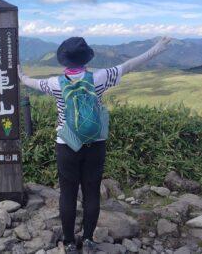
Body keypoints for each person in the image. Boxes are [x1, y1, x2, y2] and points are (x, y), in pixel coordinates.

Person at [18, 36, 171, 253]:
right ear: (86, 57)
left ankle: (70, 242)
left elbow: (30, 82)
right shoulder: (100, 77)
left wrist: (20, 73)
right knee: (91, 191)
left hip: (66, 144)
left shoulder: (54, 83)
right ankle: (89, 239)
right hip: (95, 143)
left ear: (64, 60)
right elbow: (129, 65)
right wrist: (157, 48)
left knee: (68, 194)